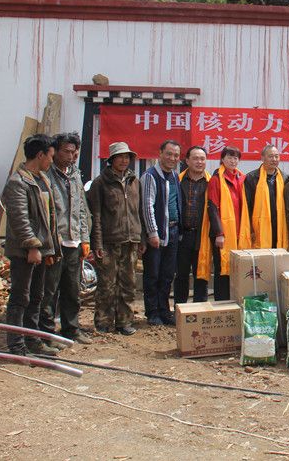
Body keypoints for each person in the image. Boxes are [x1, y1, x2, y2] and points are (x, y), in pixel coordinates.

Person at [2, 134, 61, 355]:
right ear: (40, 155)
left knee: (36, 296)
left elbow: (49, 217)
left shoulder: (42, 179)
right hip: (24, 252)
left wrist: (51, 247)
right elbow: (20, 220)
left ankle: (32, 339)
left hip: (42, 250)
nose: (51, 161)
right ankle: (16, 344)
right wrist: (33, 247)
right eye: (50, 156)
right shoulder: (18, 183)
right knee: (20, 298)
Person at [40, 132, 92, 346]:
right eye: (66, 152)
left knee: (72, 289)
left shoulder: (75, 175)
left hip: (74, 242)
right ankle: (47, 333)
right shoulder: (46, 175)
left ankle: (71, 329)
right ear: (55, 151)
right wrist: (47, 243)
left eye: (74, 152)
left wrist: (84, 238)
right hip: (55, 242)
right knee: (49, 291)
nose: (71, 156)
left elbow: (81, 209)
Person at [87, 142, 142, 335]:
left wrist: (141, 239)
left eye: (127, 157)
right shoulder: (100, 183)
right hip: (109, 242)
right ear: (111, 160)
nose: (124, 160)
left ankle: (124, 322)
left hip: (131, 241)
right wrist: (97, 243)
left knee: (128, 284)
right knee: (107, 285)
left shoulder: (134, 181)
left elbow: (138, 212)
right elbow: (96, 215)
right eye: (120, 157)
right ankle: (103, 322)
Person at [140, 140, 183, 326]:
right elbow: (147, 206)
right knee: (153, 274)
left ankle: (164, 310)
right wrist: (152, 232)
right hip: (157, 233)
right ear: (160, 153)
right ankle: (152, 312)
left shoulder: (174, 176)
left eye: (176, 155)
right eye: (169, 154)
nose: (172, 158)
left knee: (167, 275)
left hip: (173, 231)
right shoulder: (150, 176)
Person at [207, 146, 251, 300]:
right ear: (222, 159)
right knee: (222, 270)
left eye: (236, 158)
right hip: (223, 234)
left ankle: (235, 301)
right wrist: (219, 233)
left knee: (238, 269)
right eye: (229, 157)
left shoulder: (241, 178)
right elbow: (213, 208)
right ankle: (222, 303)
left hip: (239, 232)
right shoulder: (216, 179)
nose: (233, 161)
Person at [175, 146, 211, 303]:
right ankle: (180, 309)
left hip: (203, 235)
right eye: (195, 158)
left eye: (202, 159)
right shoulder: (178, 180)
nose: (199, 162)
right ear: (187, 161)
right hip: (182, 235)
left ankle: (200, 309)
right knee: (181, 275)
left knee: (201, 275)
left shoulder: (212, 182)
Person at [245, 145, 289, 249]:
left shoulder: (285, 177)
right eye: (270, 156)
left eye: (276, 156)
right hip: (260, 225)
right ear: (262, 158)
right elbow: (247, 205)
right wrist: (250, 228)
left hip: (279, 224)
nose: (274, 159)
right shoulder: (251, 178)